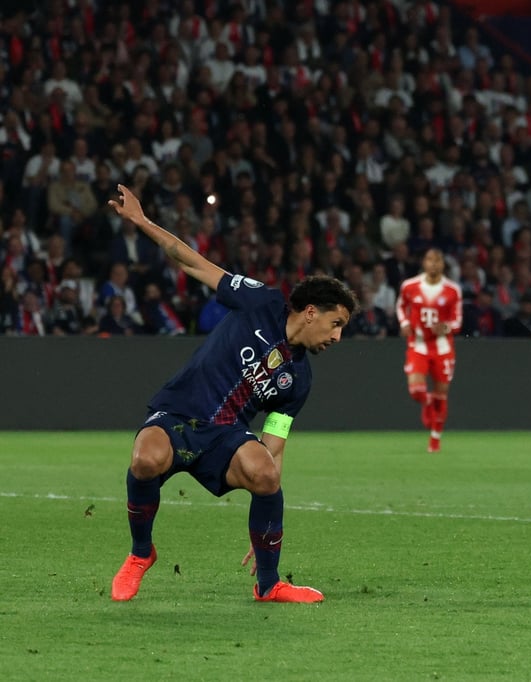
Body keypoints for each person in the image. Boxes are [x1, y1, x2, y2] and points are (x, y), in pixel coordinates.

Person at [106, 184, 358, 604]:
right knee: (145, 460)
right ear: (311, 312)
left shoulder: (299, 378)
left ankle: (269, 584)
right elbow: (195, 264)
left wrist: (267, 525)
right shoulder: (262, 301)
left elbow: (273, 446)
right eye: (336, 323)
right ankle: (140, 554)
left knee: (264, 474)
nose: (337, 335)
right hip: (179, 411)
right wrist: (141, 222)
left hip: (225, 434)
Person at [397, 247, 463, 453]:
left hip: (442, 348)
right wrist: (404, 322)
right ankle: (426, 403)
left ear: (443, 264)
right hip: (418, 345)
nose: (433, 264)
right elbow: (401, 306)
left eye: (438, 260)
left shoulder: (452, 290)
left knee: (441, 394)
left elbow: (457, 320)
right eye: (429, 260)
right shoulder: (410, 286)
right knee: (416, 390)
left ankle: (435, 440)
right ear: (424, 263)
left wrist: (448, 327)